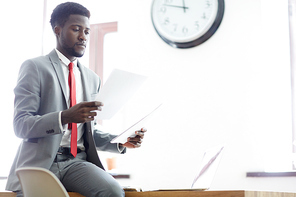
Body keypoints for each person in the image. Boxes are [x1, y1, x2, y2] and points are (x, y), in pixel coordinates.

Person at [5, 2, 146, 197]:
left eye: (87, 31)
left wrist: (121, 142)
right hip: (41, 164)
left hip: (76, 162)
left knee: (113, 191)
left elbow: (87, 132)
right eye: (76, 29)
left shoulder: (92, 78)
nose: (83, 36)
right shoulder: (35, 67)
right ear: (57, 30)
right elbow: (21, 125)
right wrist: (64, 117)